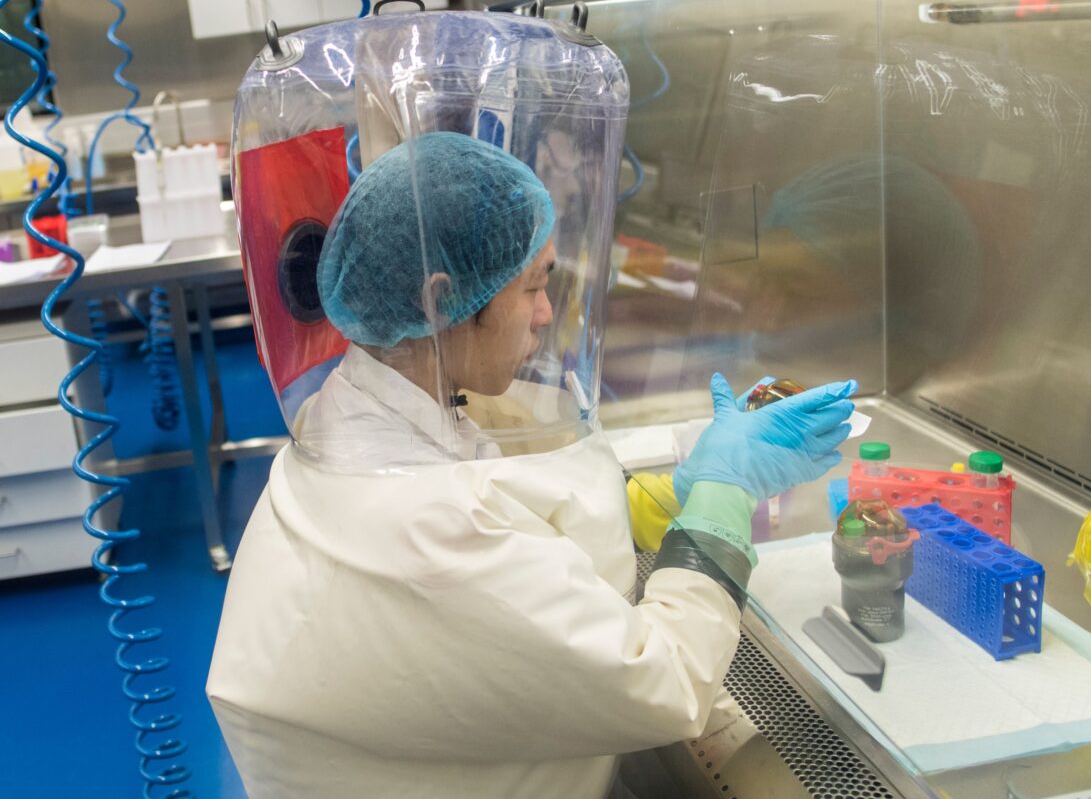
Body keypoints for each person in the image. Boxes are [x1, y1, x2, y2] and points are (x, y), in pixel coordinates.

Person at [207, 132, 855, 798]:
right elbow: (669, 681)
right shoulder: (431, 530)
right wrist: (724, 490)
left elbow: (502, 511)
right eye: (534, 287)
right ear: (439, 301)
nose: (546, 314)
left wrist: (668, 499)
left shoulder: (354, 411)